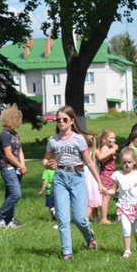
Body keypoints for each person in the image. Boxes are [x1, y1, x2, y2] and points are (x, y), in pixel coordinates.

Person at [42, 106, 106, 260]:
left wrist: (99, 183)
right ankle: (67, 253)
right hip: (60, 179)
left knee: (79, 219)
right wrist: (48, 164)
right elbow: (45, 159)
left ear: (72, 121)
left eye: (64, 119)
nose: (61, 122)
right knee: (62, 218)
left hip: (77, 178)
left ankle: (89, 237)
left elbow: (89, 162)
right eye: (58, 119)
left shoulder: (78, 139)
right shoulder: (53, 140)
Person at [0, 105, 27, 229]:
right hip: (7, 167)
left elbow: (20, 150)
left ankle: (9, 220)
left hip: (17, 168)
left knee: (10, 195)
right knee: (16, 194)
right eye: (18, 119)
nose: (20, 122)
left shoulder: (15, 134)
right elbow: (8, 155)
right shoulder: (5, 134)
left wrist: (22, 165)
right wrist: (19, 165)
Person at [112, 147, 137, 259]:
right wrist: (106, 191)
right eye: (124, 162)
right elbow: (113, 189)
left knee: (136, 230)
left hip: (135, 207)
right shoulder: (118, 175)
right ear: (120, 162)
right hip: (123, 207)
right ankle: (127, 250)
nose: (126, 165)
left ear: (134, 161)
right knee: (126, 229)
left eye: (129, 162)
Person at [96, 129, 118, 224]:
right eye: (111, 138)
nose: (113, 140)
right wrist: (111, 151)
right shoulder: (105, 148)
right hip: (106, 174)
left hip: (110, 174)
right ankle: (103, 218)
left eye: (114, 138)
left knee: (107, 196)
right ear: (104, 140)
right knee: (106, 196)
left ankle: (103, 217)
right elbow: (101, 158)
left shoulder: (108, 147)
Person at [84, 135, 104, 222]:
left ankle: (95, 217)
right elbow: (101, 158)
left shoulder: (83, 152)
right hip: (92, 176)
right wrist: (111, 151)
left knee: (91, 196)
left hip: (85, 174)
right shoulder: (95, 151)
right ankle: (86, 217)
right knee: (93, 196)